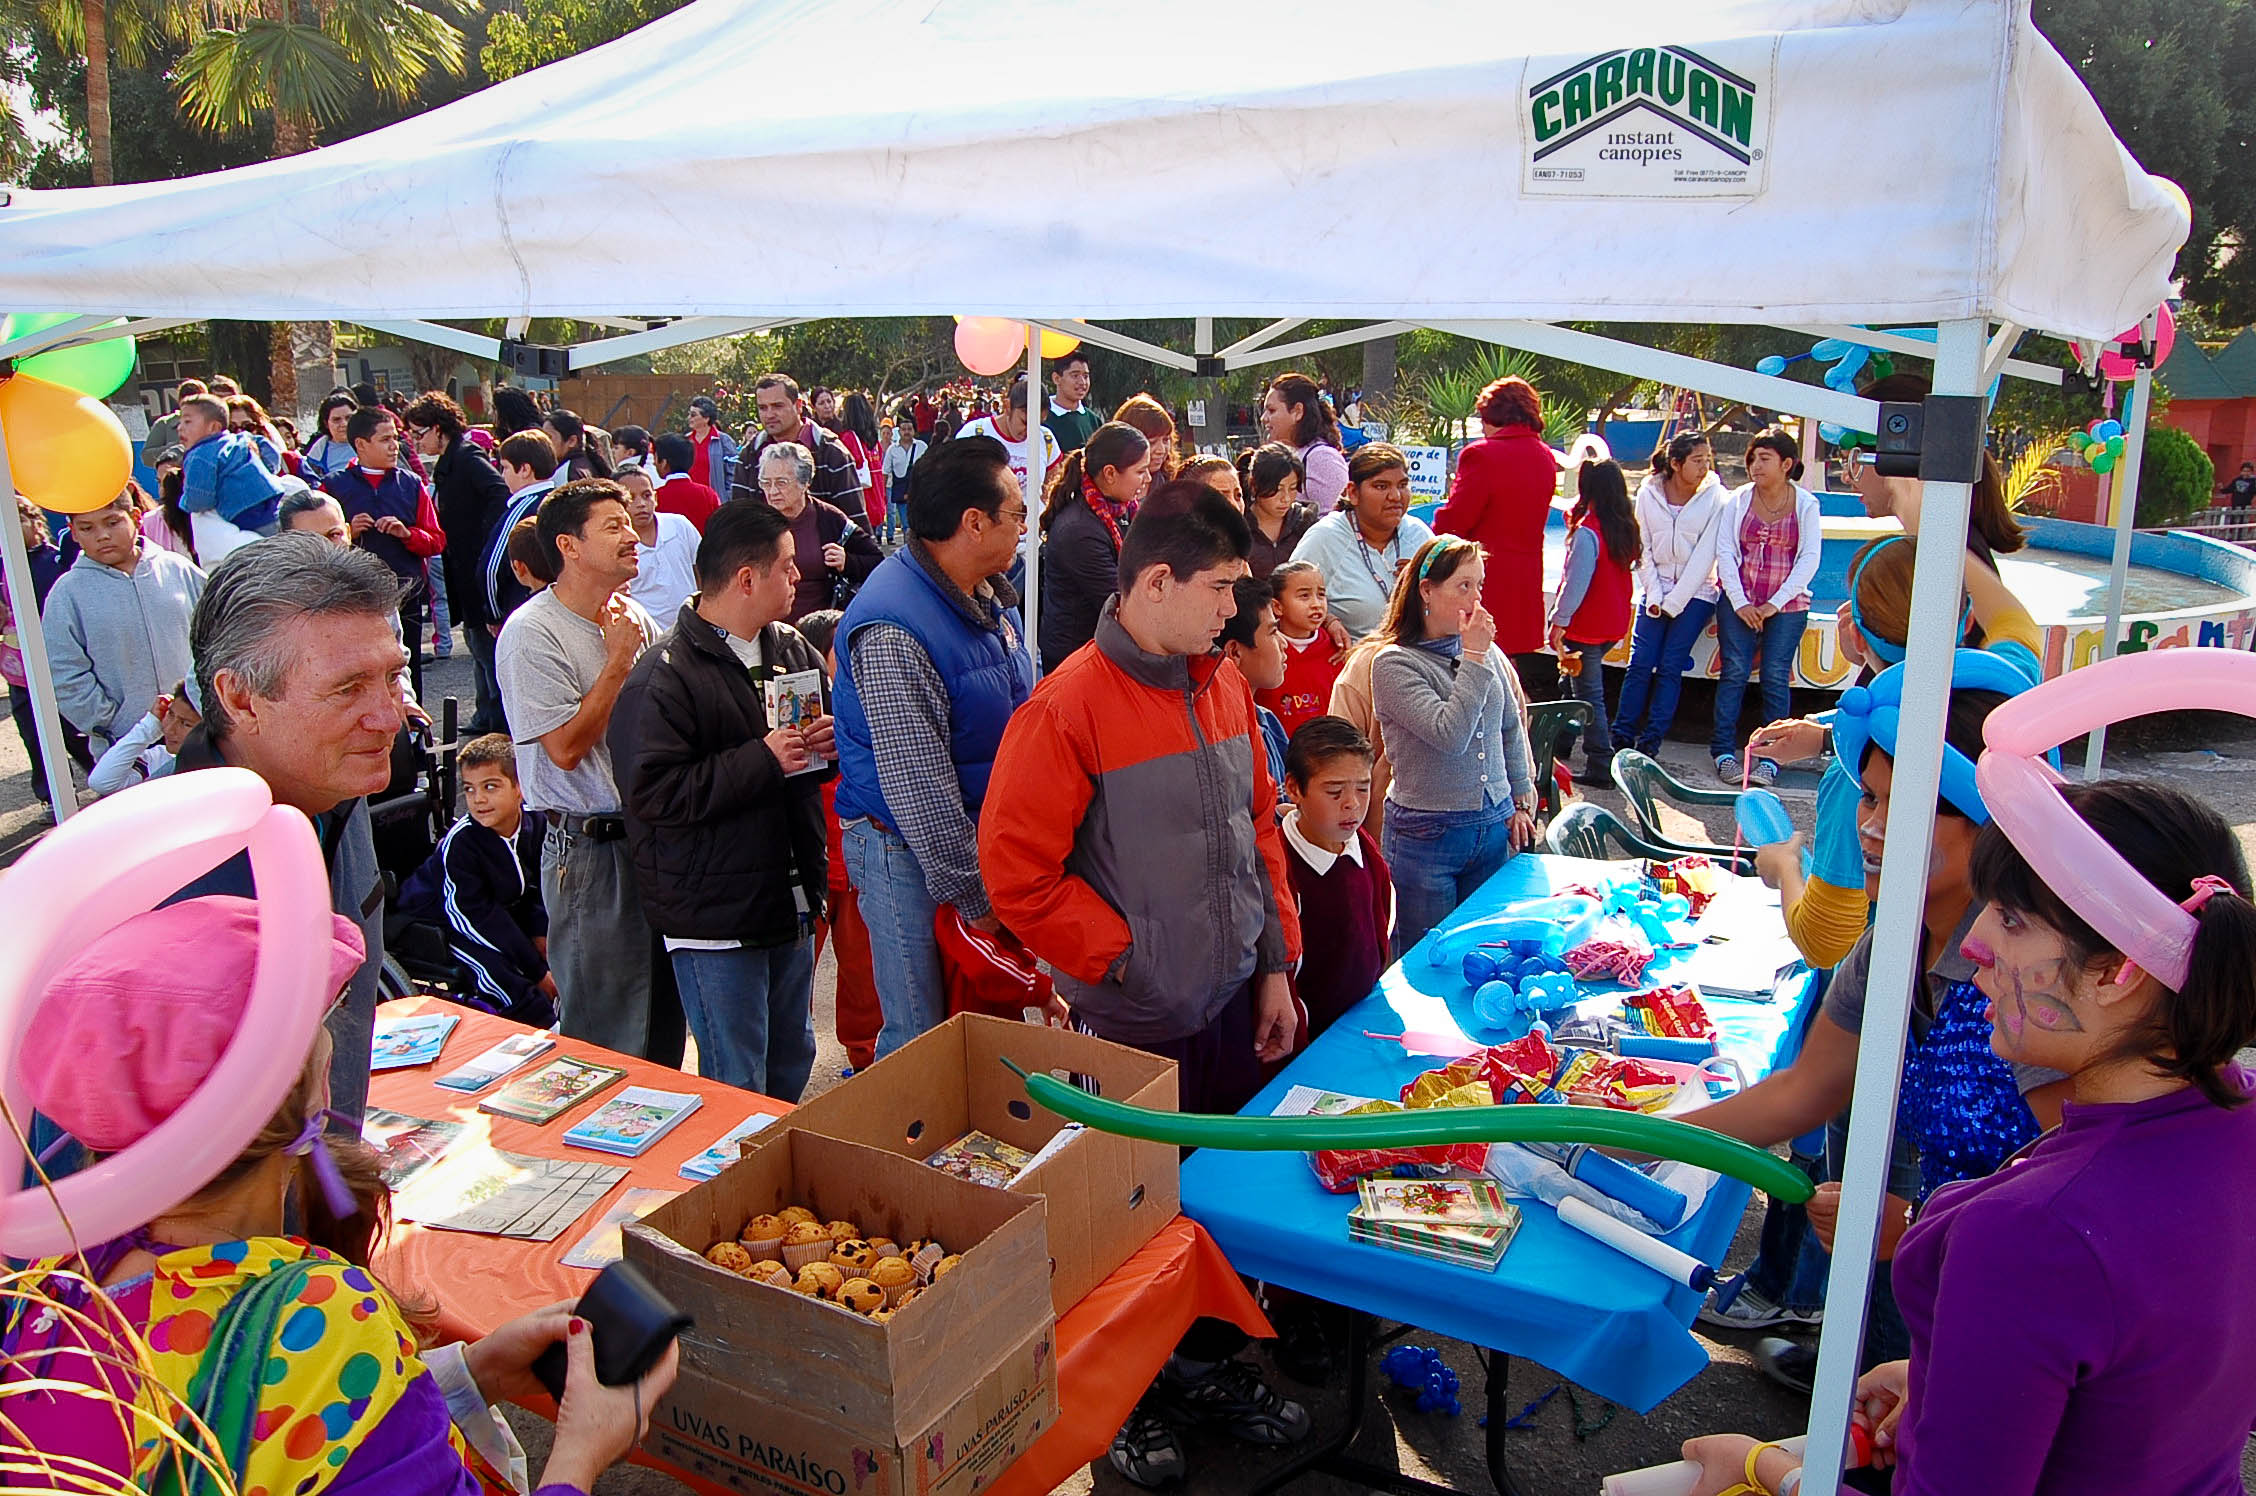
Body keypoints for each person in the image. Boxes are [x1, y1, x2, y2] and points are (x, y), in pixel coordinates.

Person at [1680, 775, 2256, 1496]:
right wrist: (1963, 1382)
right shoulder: (2231, 1116)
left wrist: (1768, 1471)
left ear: (2118, 972)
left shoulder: (2029, 1232)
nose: (1976, 942)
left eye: (2011, 920)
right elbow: (2141, 1379)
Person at [0, 897, 673, 1494]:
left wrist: (469, 1375)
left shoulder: (51, 1285)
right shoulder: (323, 1317)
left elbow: (282, 1444)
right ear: (309, 1098)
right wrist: (581, 1453)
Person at [980, 481, 1308, 1488]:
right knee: (1125, 1221)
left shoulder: (1221, 685)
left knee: (1212, 1207)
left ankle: (1202, 1368)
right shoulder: (1066, 706)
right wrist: (1125, 957)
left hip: (1228, 1004)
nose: (1234, 610)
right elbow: (1015, 876)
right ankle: (1123, 1398)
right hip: (1132, 1025)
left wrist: (1275, 963)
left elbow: (1260, 830)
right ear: (1156, 581)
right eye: (1222, 588)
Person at [1685, 660, 2065, 1377]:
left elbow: (2086, 1191)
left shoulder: (2035, 974)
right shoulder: (1893, 939)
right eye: (1869, 797)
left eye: (1912, 805)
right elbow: (1803, 1091)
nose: (1872, 827)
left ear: (1995, 820)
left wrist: (1925, 1227)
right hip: (1926, 1280)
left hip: (2021, 1325)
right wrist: (1631, 1136)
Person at [173, 535, 407, 1123]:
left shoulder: (337, 783)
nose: (389, 718)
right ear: (241, 699)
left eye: (392, 677)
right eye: (347, 688)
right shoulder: (170, 880)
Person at [610, 501, 833, 1100]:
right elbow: (652, 796)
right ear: (746, 578)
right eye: (787, 566)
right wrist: (762, 759)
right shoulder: (663, 674)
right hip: (715, 917)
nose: (798, 576)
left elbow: (811, 762)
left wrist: (829, 746)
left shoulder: (792, 648)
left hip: (789, 897)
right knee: (736, 1079)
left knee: (792, 1057)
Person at [832, 436, 1034, 1057]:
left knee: (978, 1031)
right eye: (1017, 513)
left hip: (974, 840)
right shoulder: (894, 627)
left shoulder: (983, 594)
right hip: (906, 851)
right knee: (923, 1039)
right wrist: (976, 897)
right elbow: (919, 789)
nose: (1025, 527)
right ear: (974, 523)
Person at [496, 478, 680, 1062]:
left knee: (663, 1025)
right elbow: (566, 748)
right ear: (568, 546)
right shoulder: (531, 632)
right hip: (589, 851)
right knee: (604, 1036)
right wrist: (619, 661)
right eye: (613, 526)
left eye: (629, 523)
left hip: (651, 839)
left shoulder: (632, 615)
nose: (632, 536)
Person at [1368, 537, 1538, 955]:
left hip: (1492, 823)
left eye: (1479, 586)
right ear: (1426, 590)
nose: (1476, 599)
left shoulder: (1484, 652)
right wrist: (1475, 657)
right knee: (1430, 956)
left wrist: (1521, 800)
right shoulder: (1393, 663)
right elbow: (1450, 734)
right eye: (1463, 586)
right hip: (1428, 833)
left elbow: (1510, 726)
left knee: (1486, 949)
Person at [398, 731, 556, 1025]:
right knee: (494, 968)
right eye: (469, 790)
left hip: (499, 907)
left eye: (490, 787)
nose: (478, 799)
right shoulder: (461, 843)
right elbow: (473, 916)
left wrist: (539, 932)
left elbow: (539, 885)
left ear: (519, 788)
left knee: (554, 943)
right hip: (443, 920)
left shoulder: (536, 824)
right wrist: (536, 971)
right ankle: (543, 1024)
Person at [43, 489, 206, 754]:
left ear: (136, 517)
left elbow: (216, 639)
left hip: (200, 733)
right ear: (73, 533)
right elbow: (63, 671)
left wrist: (204, 705)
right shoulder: (67, 594)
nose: (102, 535)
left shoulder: (179, 570)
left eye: (112, 522)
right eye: (87, 528)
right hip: (125, 744)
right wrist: (110, 723)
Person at [1710, 427, 1823, 785]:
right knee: (1734, 671)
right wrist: (1741, 602)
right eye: (1753, 459)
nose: (1755, 466)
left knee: (1775, 674)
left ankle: (1772, 759)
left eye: (1765, 459)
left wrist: (1775, 603)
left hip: (1787, 605)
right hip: (1739, 601)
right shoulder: (1738, 500)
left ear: (1786, 464)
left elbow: (1809, 558)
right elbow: (1726, 550)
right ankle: (1723, 752)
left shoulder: (1806, 504)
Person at [1433, 376, 1556, 691]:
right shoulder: (1545, 457)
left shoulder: (1481, 454)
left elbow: (1455, 520)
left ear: (1492, 416)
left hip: (1483, 578)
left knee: (1470, 666)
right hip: (1525, 578)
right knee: (1508, 669)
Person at [1279, 714, 1392, 1047]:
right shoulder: (1282, 870)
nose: (1352, 804)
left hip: (1363, 1023)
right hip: (1307, 1045)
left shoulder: (1364, 848)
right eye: (1334, 791)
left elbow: (1381, 922)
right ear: (1294, 788)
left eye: (1363, 788)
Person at [1611, 431, 1726, 756]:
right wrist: (1655, 596)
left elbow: (1705, 557)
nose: (1704, 467)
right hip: (1655, 591)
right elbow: (1642, 547)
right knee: (1640, 663)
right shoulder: (1648, 493)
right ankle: (1621, 736)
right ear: (1676, 463)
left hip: (1696, 594)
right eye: (1697, 460)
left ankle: (1651, 742)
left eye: (1707, 460)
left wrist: (1673, 603)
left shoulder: (1717, 498)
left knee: (1670, 665)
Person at [406, 391, 513, 733]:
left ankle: (499, 721)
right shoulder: (451, 460)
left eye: (420, 433)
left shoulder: (466, 457)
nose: (416, 441)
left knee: (485, 646)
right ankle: (486, 715)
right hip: (463, 565)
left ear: (439, 428)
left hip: (474, 564)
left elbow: (498, 492)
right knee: (476, 642)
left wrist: (485, 538)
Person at [323, 405, 446, 700]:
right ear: (361, 444)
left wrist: (407, 534)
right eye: (385, 439)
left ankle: (413, 723)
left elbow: (436, 541)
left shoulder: (411, 484)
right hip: (354, 596)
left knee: (407, 666)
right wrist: (349, 532)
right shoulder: (334, 486)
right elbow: (317, 543)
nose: (394, 447)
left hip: (406, 592)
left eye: (395, 439)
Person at [1546, 458, 1641, 788]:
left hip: (1585, 625)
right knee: (1571, 682)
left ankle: (1601, 761)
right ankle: (1559, 741)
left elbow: (1575, 584)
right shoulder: (1624, 528)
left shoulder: (1587, 533)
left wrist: (1558, 621)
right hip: (1613, 622)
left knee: (1588, 695)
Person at [1287, 441, 1435, 641]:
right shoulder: (1326, 538)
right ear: (1353, 493)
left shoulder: (1418, 535)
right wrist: (1327, 620)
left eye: (1402, 485)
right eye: (1381, 486)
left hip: (1417, 653)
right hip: (1351, 655)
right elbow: (1287, 599)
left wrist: (1422, 585)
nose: (1395, 496)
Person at [1036, 420, 1151, 670]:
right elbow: (1121, 601)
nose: (1148, 479)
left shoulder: (1122, 510)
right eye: (1141, 472)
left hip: (1102, 648)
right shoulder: (1078, 531)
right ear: (1110, 473)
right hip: (1074, 658)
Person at [4, 495, 91, 813]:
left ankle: (106, 776)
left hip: (59, 664)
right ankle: (52, 794)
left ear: (36, 522)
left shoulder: (55, 560)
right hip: (19, 671)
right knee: (33, 733)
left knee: (73, 730)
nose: (11, 529)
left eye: (19, 520)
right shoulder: (3, 566)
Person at [753, 442, 883, 623]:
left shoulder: (830, 518)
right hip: (768, 627)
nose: (772, 491)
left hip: (819, 628)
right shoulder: (753, 523)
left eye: (781, 483)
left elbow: (877, 562)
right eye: (766, 483)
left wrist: (847, 562)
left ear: (805, 483)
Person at [741, 374, 866, 521]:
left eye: (777, 406)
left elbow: (855, 522)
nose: (769, 415)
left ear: (798, 406)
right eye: (763, 408)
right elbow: (738, 519)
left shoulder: (831, 452)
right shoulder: (750, 455)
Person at [177, 392, 289, 541]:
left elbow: (200, 500)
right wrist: (265, 468)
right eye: (180, 422)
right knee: (284, 538)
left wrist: (184, 504)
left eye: (187, 422)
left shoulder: (199, 455)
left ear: (214, 427)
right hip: (271, 498)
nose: (180, 428)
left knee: (272, 547)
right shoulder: (240, 438)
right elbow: (271, 452)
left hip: (244, 511)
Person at [484, 429, 562, 626]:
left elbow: (491, 568)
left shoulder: (520, 510)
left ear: (525, 469)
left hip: (524, 609)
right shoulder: (562, 503)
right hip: (562, 606)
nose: (502, 475)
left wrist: (494, 615)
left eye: (505, 468)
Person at [1218, 573, 1291, 786]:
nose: (1284, 643)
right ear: (1235, 652)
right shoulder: (1221, 739)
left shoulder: (1268, 721)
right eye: (1273, 631)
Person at [960, 375, 1066, 520]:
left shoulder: (1046, 439)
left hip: (1033, 529)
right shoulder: (974, 433)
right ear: (1008, 407)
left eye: (1038, 424)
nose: (1030, 431)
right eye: (1025, 422)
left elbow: (1052, 488)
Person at [1259, 559, 1341, 740]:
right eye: (1304, 596)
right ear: (1277, 606)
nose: (1316, 604)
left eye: (1321, 595)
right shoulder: (1264, 650)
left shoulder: (1337, 649)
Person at [86, 677, 197, 796]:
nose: (170, 730)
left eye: (186, 724)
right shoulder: (160, 759)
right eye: (170, 714)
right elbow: (101, 782)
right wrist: (149, 727)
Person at [618, 464, 701, 621]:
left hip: (689, 626)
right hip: (648, 631)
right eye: (631, 498)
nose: (641, 504)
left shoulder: (679, 525)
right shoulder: (618, 545)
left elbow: (702, 570)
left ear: (655, 498)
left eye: (646, 495)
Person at [1261, 371, 1348, 512]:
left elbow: (1337, 516)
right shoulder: (1300, 454)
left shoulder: (1322, 458)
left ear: (1298, 411)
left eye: (1271, 410)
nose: (1264, 418)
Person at [1241, 442, 1315, 579]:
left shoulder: (1305, 522)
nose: (1286, 498)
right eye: (1278, 489)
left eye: (1292, 488)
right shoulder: (1238, 527)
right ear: (1255, 486)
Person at [1112, 393, 1180, 482]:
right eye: (1152, 442)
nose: (1161, 450)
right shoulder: (1107, 485)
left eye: (1165, 440)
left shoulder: (1173, 482)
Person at [685, 394, 741, 499]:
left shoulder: (724, 441)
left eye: (693, 415)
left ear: (706, 418)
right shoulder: (685, 440)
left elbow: (733, 474)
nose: (689, 418)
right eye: (689, 414)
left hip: (715, 500)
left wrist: (727, 498)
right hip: (690, 499)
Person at [1044, 349, 1101, 452]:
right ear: (1056, 378)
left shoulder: (1094, 421)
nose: (1082, 382)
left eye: (1085, 376)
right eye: (1075, 376)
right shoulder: (1042, 417)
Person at [880, 421, 927, 545]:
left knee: (918, 523)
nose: (906, 432)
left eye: (909, 429)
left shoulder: (922, 446)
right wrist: (883, 493)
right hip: (901, 492)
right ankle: (910, 548)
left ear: (914, 431)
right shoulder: (892, 450)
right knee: (906, 524)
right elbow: (885, 471)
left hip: (919, 492)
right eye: (903, 429)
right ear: (899, 431)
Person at [143, 376, 204, 459]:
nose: (191, 403)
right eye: (185, 397)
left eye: (196, 399)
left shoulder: (213, 423)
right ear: (179, 400)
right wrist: (173, 449)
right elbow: (146, 456)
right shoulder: (165, 424)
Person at [544, 408, 613, 481]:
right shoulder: (587, 463)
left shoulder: (569, 473)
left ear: (572, 441)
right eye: (543, 437)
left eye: (549, 437)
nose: (544, 442)